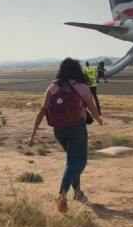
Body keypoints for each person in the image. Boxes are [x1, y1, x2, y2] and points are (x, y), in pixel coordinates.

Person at [29, 58, 104, 212]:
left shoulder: (53, 87)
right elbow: (92, 108)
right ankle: (62, 195)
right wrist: (98, 119)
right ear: (77, 70)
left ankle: (78, 192)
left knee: (72, 161)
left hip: (59, 130)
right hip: (77, 128)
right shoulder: (82, 87)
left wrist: (33, 134)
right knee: (79, 162)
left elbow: (42, 110)